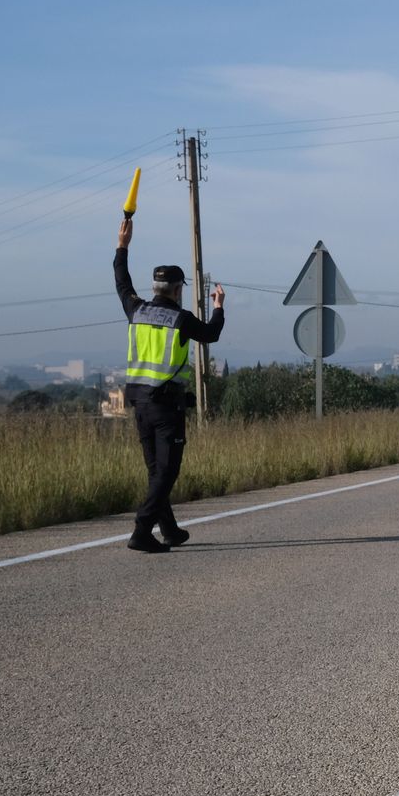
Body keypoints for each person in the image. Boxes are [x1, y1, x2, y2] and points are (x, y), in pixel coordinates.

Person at [114, 217, 225, 553]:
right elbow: (211, 334)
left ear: (153, 289)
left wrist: (122, 245)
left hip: (139, 404)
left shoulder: (135, 309)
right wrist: (219, 307)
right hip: (166, 407)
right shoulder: (180, 319)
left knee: (155, 470)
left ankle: (170, 530)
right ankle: (141, 530)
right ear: (177, 290)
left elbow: (121, 281)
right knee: (167, 471)